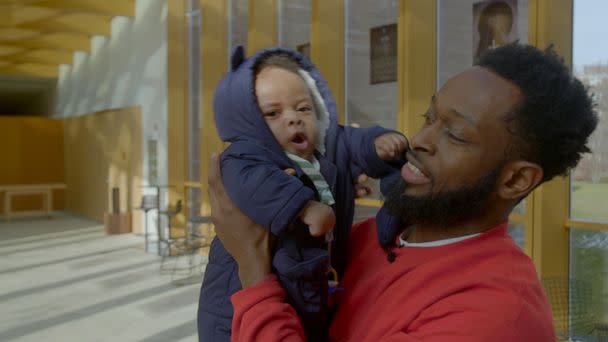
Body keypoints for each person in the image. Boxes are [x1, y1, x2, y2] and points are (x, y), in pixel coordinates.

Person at [208, 43, 599, 341]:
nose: (422, 140)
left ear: (516, 180)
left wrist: (253, 271)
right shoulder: (368, 241)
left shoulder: (492, 315)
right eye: (429, 118)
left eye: (455, 134)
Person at [197, 46, 407, 341]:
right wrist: (304, 207)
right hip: (234, 301)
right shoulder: (246, 155)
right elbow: (254, 183)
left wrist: (378, 143)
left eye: (303, 108)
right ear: (249, 123)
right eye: (273, 113)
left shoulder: (327, 146)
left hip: (308, 287)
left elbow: (353, 139)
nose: (293, 118)